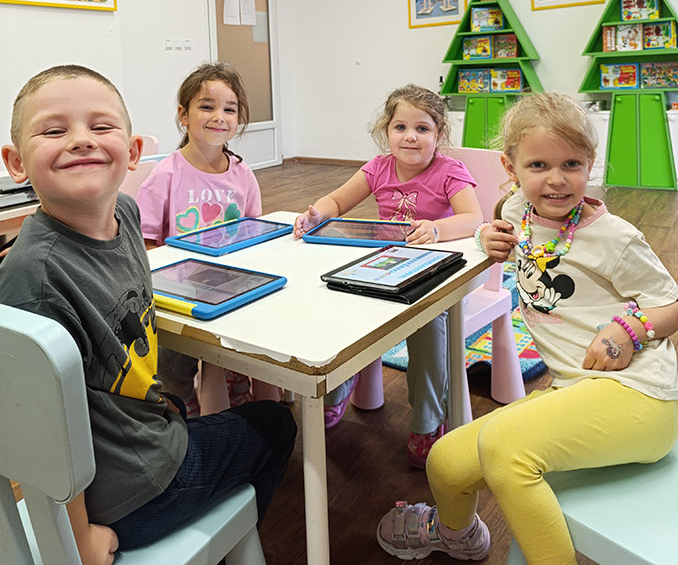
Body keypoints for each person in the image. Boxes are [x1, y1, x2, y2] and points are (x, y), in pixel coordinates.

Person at [0, 65, 296, 565]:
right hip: (133, 492)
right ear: (16, 162)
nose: (80, 140)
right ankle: (231, 546)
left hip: (142, 435)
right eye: (53, 131)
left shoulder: (127, 213)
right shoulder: (36, 280)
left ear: (133, 151)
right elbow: (42, 432)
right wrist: (79, 539)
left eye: (100, 126)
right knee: (278, 424)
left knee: (190, 406)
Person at [376, 91, 678, 564]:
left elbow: (671, 303)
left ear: (590, 164)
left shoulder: (614, 237)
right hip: (574, 386)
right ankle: (457, 535)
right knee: (446, 461)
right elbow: (493, 224)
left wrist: (628, 330)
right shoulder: (516, 209)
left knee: (503, 449)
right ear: (511, 167)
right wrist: (486, 236)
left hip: (641, 396)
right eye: (538, 165)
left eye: (572, 164)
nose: (556, 179)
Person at [294, 84, 482, 466]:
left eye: (422, 128)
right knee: (338, 307)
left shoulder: (450, 170)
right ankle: (336, 392)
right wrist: (317, 212)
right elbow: (337, 200)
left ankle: (428, 421)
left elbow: (473, 217)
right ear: (387, 132)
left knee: (428, 327)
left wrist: (436, 229)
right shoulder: (378, 167)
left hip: (433, 277)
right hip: (384, 270)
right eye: (401, 127)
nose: (410, 136)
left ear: (439, 134)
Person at [137, 62, 275, 414]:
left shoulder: (243, 174)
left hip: (234, 283)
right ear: (183, 115)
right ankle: (183, 411)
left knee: (246, 344)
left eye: (230, 109)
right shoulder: (165, 174)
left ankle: (238, 390)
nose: (219, 117)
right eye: (207, 106)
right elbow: (145, 242)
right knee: (174, 368)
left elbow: (255, 231)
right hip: (181, 292)